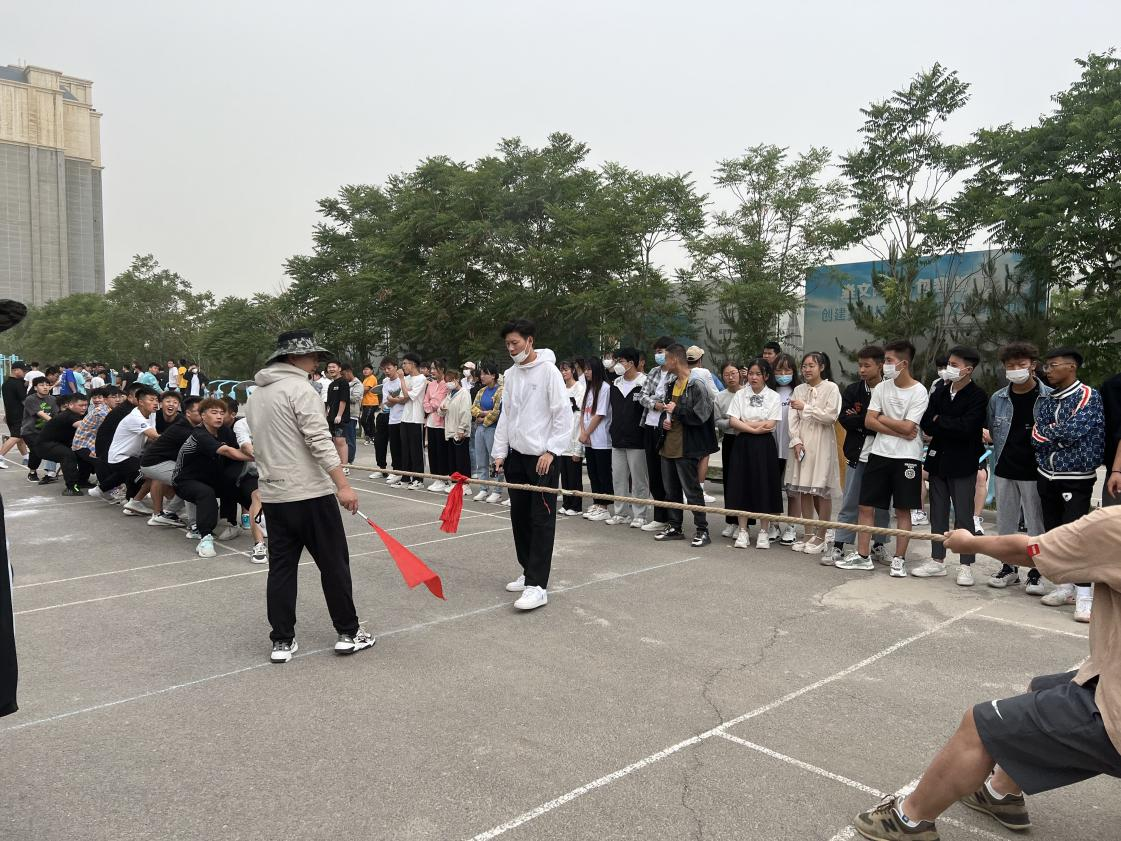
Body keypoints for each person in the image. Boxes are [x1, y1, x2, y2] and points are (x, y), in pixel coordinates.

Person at [852, 507, 1121, 841]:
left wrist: (970, 543)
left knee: (979, 726)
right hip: (1108, 670)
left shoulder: (1114, 525)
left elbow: (1031, 551)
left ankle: (909, 820)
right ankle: (999, 793)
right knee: (1041, 690)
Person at [246, 330, 373, 663]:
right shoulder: (300, 389)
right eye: (311, 355)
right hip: (310, 494)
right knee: (333, 565)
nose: (316, 360)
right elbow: (319, 439)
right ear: (291, 358)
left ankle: (282, 640)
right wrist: (342, 485)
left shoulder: (256, 395)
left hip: (275, 495)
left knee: (281, 570)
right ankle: (349, 632)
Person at [491, 318, 571, 611]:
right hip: (516, 457)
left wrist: (552, 451)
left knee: (541, 519)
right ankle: (527, 571)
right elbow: (507, 415)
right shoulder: (511, 375)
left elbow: (562, 414)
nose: (511, 349)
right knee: (520, 517)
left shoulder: (549, 372)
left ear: (530, 341)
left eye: (515, 343)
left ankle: (538, 586)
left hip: (542, 459)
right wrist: (500, 452)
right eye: (507, 344)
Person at [1033, 346, 1104, 622]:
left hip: (1076, 477)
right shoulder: (1047, 400)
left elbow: (1075, 431)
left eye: (1053, 366)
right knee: (1055, 534)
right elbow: (1037, 435)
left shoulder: (1088, 395)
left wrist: (1054, 436)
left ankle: (1085, 595)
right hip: (1046, 474)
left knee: (1077, 537)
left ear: (1071, 367)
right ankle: (1064, 586)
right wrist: (1055, 437)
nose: (1047, 371)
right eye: (1046, 366)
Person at [912, 345, 989, 586]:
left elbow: (968, 427)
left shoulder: (977, 396)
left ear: (968, 369)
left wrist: (941, 421)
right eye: (948, 364)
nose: (949, 369)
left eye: (954, 365)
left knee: (964, 515)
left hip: (963, 462)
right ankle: (937, 559)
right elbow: (927, 423)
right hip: (938, 460)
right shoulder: (940, 392)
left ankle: (966, 564)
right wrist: (944, 422)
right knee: (938, 512)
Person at [852, 339, 929, 576]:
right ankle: (863, 556)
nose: (885, 365)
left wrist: (883, 418)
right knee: (866, 506)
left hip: (907, 457)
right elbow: (869, 420)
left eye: (888, 361)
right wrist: (896, 428)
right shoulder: (882, 388)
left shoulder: (919, 391)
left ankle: (899, 559)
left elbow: (909, 428)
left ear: (903, 364)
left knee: (903, 510)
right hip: (879, 453)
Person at [986, 342, 1051, 590]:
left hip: (1036, 470)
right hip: (1005, 467)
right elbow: (994, 431)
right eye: (1010, 365)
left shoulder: (1048, 397)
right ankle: (1008, 567)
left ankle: (1037, 570)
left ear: (1033, 365)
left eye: (1021, 364)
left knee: (1036, 524)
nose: (1015, 370)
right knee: (1005, 524)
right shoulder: (998, 398)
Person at [831, 346, 891, 570]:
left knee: (882, 505)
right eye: (860, 365)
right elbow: (846, 419)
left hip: (884, 454)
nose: (862, 370)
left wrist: (865, 419)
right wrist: (873, 421)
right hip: (858, 453)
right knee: (850, 501)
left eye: (867, 365)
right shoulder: (853, 390)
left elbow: (892, 420)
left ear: (880, 365)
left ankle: (879, 544)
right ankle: (840, 544)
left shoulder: (890, 390)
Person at [655, 343, 718, 548]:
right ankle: (675, 526)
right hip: (669, 443)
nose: (664, 363)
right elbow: (668, 410)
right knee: (670, 490)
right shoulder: (671, 383)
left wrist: (677, 411)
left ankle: (702, 529)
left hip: (687, 445)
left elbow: (701, 416)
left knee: (692, 491)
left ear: (675, 359)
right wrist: (665, 420)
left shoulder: (697, 384)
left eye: (666, 358)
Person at [172, 398, 254, 557]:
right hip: (185, 480)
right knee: (206, 493)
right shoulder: (199, 434)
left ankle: (238, 523)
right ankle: (205, 537)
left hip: (210, 477)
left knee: (239, 485)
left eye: (222, 413)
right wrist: (260, 457)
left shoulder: (225, 431)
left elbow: (240, 448)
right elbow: (228, 451)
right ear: (203, 415)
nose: (219, 416)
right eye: (214, 412)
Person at [784, 352, 841, 555]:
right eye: (804, 366)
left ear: (822, 367)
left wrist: (806, 407)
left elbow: (830, 417)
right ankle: (808, 534)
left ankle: (822, 535)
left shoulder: (831, 388)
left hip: (822, 442)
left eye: (811, 365)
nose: (807, 369)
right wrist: (796, 441)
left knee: (821, 489)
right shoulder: (798, 389)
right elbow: (792, 418)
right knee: (804, 489)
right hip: (803, 444)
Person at [726, 358, 784, 549]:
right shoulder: (740, 394)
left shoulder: (774, 396)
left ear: (766, 376)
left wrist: (746, 425)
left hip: (765, 446)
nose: (753, 377)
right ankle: (743, 530)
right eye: (751, 373)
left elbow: (771, 423)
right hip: (742, 443)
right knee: (741, 484)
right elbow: (733, 421)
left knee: (764, 485)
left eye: (758, 374)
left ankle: (764, 531)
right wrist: (754, 429)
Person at [140, 394, 201, 529]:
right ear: (188, 413)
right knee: (190, 482)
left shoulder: (190, 426)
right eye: (200, 411)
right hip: (154, 463)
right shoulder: (184, 430)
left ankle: (168, 513)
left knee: (191, 478)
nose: (204, 414)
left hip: (165, 461)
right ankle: (195, 526)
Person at [606, 348, 650, 528]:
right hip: (617, 438)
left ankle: (640, 514)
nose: (617, 364)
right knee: (618, 478)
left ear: (631, 363)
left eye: (621, 361)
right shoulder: (615, 383)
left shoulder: (645, 382)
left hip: (637, 439)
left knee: (639, 480)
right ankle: (620, 513)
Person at [637, 336, 676, 532]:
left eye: (661, 351)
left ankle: (672, 518)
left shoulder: (676, 374)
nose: (658, 355)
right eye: (656, 351)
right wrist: (656, 404)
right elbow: (642, 396)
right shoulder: (653, 371)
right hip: (649, 425)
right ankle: (659, 516)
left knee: (667, 474)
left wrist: (659, 401)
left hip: (667, 428)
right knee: (653, 473)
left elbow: (671, 400)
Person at [103, 385, 160, 516]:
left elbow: (152, 438)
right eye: (151, 400)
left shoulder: (151, 414)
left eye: (157, 400)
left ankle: (131, 503)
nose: (155, 403)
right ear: (140, 402)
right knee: (147, 474)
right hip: (120, 457)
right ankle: (134, 503)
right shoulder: (135, 417)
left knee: (141, 472)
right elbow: (154, 436)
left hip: (132, 456)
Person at [33, 392, 92, 495]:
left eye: (86, 405)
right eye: (81, 405)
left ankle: (82, 481)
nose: (84, 408)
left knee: (84, 453)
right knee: (67, 455)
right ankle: (71, 488)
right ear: (70, 405)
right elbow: (83, 426)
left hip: (60, 443)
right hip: (44, 445)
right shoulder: (69, 415)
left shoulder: (78, 414)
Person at [579, 357, 614, 522]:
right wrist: (583, 432)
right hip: (589, 439)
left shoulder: (605, 388)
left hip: (601, 439)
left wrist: (587, 433)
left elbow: (599, 414)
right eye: (585, 369)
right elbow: (583, 413)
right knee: (593, 473)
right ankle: (597, 502)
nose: (586, 372)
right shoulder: (589, 389)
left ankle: (604, 506)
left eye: (589, 369)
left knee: (602, 473)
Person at [772, 353, 800, 544]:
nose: (783, 374)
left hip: (792, 448)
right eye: (779, 370)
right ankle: (773, 524)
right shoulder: (769, 392)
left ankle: (792, 526)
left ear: (793, 371)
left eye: (787, 370)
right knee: (773, 489)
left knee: (793, 491)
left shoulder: (799, 392)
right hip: (772, 448)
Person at [714, 361, 743, 540]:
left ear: (740, 374)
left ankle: (743, 524)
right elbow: (717, 420)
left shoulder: (747, 393)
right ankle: (731, 521)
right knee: (729, 480)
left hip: (746, 439)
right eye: (726, 374)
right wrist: (731, 423)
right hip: (730, 439)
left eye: (733, 373)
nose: (731, 377)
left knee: (744, 481)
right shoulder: (720, 396)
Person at [470, 363, 505, 504]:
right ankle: (483, 488)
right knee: (481, 460)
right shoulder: (481, 391)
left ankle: (497, 490)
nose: (482, 376)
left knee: (494, 461)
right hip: (480, 429)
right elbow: (473, 408)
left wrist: (482, 419)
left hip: (493, 429)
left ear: (493, 375)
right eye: (481, 374)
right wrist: (482, 414)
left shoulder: (501, 390)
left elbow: (497, 411)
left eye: (485, 374)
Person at [557, 360, 585, 516]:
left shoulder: (579, 389)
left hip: (574, 435)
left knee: (575, 475)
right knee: (565, 475)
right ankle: (566, 502)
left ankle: (576, 505)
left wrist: (578, 447)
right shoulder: (561, 389)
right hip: (563, 439)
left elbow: (579, 417)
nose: (564, 373)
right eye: (561, 370)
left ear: (573, 370)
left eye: (566, 370)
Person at [398, 352, 428, 490]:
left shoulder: (421, 379)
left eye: (405, 363)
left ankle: (418, 479)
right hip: (405, 417)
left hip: (416, 418)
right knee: (405, 449)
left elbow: (409, 396)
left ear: (413, 364)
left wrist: (402, 381)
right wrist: (405, 387)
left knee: (416, 450)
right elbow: (402, 398)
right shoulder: (406, 378)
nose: (403, 366)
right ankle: (405, 477)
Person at [20, 377, 57, 484]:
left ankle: (50, 473)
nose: (45, 387)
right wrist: (57, 423)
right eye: (41, 385)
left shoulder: (53, 399)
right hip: (30, 431)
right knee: (36, 450)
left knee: (53, 448)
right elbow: (41, 414)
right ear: (35, 388)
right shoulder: (30, 399)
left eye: (47, 385)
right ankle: (32, 472)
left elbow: (55, 414)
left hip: (45, 431)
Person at [423, 360, 450, 493]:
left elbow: (441, 403)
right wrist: (431, 406)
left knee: (441, 451)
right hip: (431, 421)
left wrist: (432, 404)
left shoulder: (447, 384)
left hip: (442, 423)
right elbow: (425, 401)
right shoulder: (431, 384)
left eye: (435, 368)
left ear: (442, 369)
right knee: (432, 450)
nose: (432, 371)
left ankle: (443, 478)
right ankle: (436, 477)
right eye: (432, 368)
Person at [440, 368, 472, 480]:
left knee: (462, 460)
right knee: (452, 460)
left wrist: (462, 428)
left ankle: (464, 483)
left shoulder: (464, 393)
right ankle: (454, 482)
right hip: (450, 431)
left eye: (451, 380)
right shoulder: (449, 394)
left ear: (457, 379)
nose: (449, 383)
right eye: (447, 381)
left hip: (460, 432)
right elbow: (441, 409)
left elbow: (466, 412)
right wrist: (442, 409)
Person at [377, 357, 405, 484]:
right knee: (394, 447)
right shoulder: (386, 384)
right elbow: (386, 403)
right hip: (392, 419)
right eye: (384, 369)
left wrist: (392, 399)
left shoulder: (402, 381)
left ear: (396, 367)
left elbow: (405, 399)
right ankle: (396, 471)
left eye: (389, 368)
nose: (387, 371)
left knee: (404, 447)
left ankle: (406, 473)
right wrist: (396, 399)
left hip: (404, 418)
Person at [0, 361, 29, 468]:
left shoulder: (6, 383)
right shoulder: (18, 384)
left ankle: (26, 458)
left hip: (10, 415)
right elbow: (24, 401)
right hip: (19, 415)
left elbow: (8, 401)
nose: (25, 373)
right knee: (16, 436)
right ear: (15, 370)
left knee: (20, 437)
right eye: (24, 371)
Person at [324, 361, 351, 475]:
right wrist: (327, 414)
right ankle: (338, 464)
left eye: (333, 367)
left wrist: (339, 415)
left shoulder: (343, 382)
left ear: (339, 369)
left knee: (340, 440)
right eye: (329, 367)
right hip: (331, 417)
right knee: (334, 440)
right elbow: (329, 403)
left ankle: (345, 466)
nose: (331, 369)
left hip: (341, 417)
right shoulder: (331, 385)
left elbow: (343, 400)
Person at [343, 363, 363, 467]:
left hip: (351, 415)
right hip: (342, 415)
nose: (343, 376)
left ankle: (349, 460)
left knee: (350, 439)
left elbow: (355, 398)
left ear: (349, 372)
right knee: (342, 439)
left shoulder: (358, 384)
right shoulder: (344, 383)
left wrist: (342, 396)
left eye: (343, 374)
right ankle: (343, 459)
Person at [359, 364, 380, 445]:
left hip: (371, 403)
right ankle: (373, 437)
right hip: (366, 403)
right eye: (364, 369)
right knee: (370, 420)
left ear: (371, 371)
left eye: (367, 369)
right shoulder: (366, 379)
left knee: (364, 420)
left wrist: (358, 394)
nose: (365, 371)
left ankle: (368, 436)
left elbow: (366, 389)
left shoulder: (371, 378)